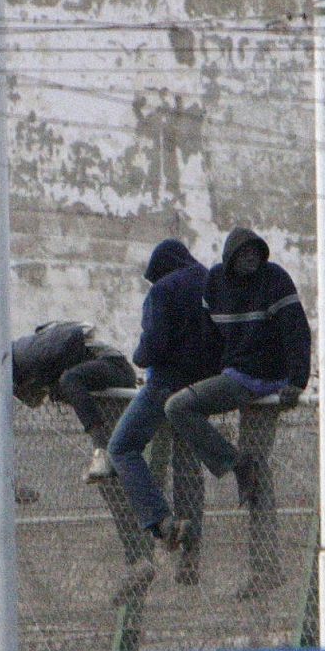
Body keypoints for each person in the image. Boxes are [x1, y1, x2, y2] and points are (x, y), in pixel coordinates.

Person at [164, 227, 311, 599]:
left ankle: (265, 569)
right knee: (180, 406)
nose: (251, 260)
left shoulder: (275, 279)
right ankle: (234, 463)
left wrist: (297, 381)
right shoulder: (215, 283)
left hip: (268, 383)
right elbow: (208, 337)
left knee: (257, 472)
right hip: (233, 377)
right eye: (243, 254)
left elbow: (298, 332)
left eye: (255, 254)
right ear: (230, 257)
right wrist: (200, 377)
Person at [0, 322, 154, 594]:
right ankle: (138, 558)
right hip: (100, 397)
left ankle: (102, 450)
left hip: (113, 371)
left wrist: (56, 380)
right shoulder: (15, 369)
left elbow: (73, 337)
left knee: (71, 383)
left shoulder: (28, 354)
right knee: (112, 487)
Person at [107, 240, 216, 584]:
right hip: (202, 391)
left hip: (166, 385)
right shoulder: (214, 282)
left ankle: (161, 523)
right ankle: (191, 557)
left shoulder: (163, 291)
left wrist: (139, 356)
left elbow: (149, 349)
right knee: (187, 467)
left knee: (122, 448)